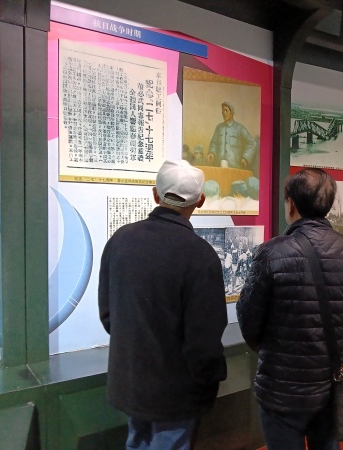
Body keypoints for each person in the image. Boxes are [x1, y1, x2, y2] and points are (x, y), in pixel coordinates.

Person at [98, 159, 228, 450]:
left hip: (131, 380)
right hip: (177, 392)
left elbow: (108, 315)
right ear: (200, 201)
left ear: (155, 194)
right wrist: (208, 380)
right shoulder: (201, 255)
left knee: (136, 443)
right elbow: (204, 339)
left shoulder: (120, 240)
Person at [237, 168, 343, 450]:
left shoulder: (272, 252)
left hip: (282, 388)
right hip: (332, 385)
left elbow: (249, 321)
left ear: (291, 204)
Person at [207, 101, 257, 170]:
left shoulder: (240, 128)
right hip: (219, 167)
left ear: (232, 113)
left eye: (226, 110)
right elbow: (214, 143)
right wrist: (212, 152)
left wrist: (245, 158)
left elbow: (252, 143)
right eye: (223, 111)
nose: (224, 113)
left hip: (235, 168)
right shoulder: (219, 128)